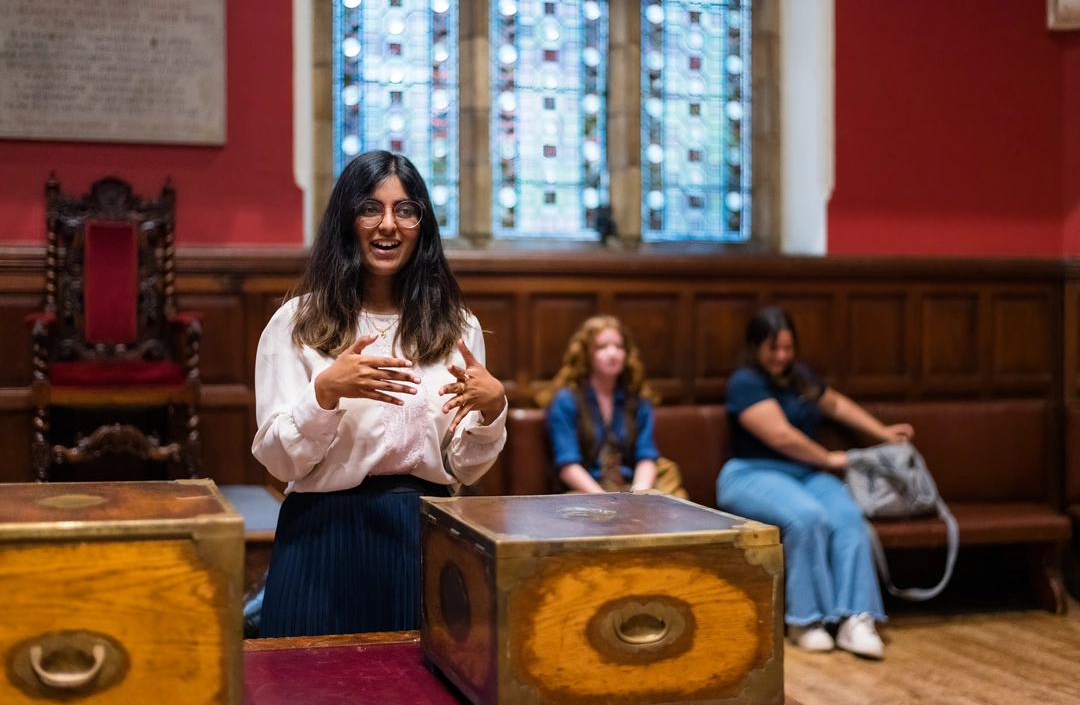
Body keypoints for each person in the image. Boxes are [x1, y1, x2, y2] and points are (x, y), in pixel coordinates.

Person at [252, 151, 507, 638]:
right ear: (347, 219)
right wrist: (324, 393)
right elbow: (279, 464)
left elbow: (462, 468)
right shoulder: (296, 324)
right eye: (371, 207)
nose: (388, 224)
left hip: (425, 534)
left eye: (405, 209)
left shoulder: (456, 326)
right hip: (323, 538)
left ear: (422, 224)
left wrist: (492, 409)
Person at [715, 306, 914, 659]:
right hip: (750, 472)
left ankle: (857, 619)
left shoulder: (801, 377)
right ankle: (805, 620)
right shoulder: (744, 382)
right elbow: (781, 436)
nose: (781, 356)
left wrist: (883, 433)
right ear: (755, 347)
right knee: (807, 517)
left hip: (804, 474)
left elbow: (835, 405)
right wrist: (828, 458)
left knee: (849, 517)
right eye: (773, 348)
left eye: (788, 348)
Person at [538, 315, 687, 497]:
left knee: (673, 496)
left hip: (630, 488)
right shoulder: (566, 400)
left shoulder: (637, 400)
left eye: (619, 346)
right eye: (602, 347)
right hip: (586, 492)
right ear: (587, 354)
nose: (613, 353)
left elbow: (646, 456)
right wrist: (605, 499)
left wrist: (640, 495)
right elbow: (568, 466)